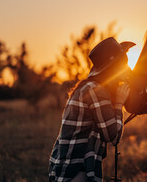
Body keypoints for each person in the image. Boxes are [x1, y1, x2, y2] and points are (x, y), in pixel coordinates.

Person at [49, 37, 135, 182]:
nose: (128, 69)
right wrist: (120, 103)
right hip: (76, 170)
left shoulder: (89, 87)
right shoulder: (96, 91)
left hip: (67, 166)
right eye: (123, 65)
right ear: (112, 69)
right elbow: (112, 136)